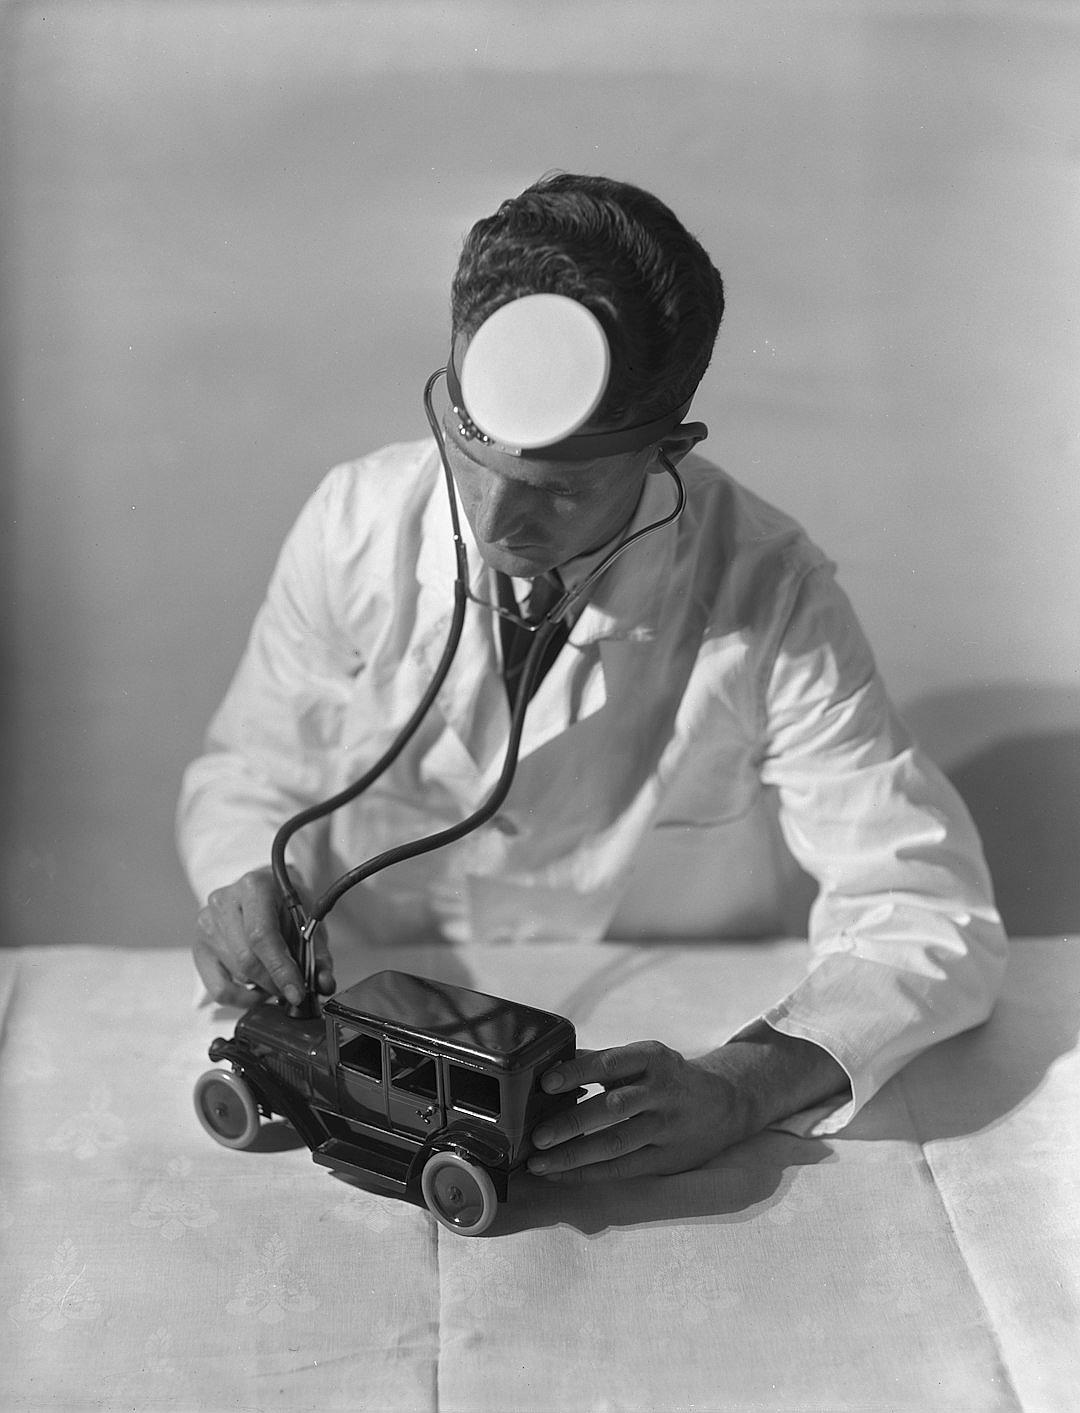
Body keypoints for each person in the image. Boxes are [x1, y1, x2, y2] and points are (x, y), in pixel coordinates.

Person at [177, 172, 1006, 1185]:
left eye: (560, 491)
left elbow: (930, 913)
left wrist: (748, 1083)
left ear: (668, 452)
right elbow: (249, 777)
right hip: (380, 1022)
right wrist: (239, 879)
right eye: (472, 457)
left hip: (655, 1053)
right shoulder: (354, 524)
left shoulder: (770, 588)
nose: (493, 524)